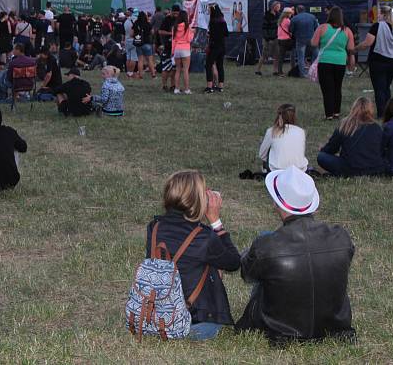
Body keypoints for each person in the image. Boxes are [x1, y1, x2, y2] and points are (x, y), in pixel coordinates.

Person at [236, 166, 355, 344]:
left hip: (280, 330)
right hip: (334, 327)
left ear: (276, 203)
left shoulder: (267, 245)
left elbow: (247, 275)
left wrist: (251, 252)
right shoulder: (341, 237)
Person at [145, 170, 241, 341]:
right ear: (196, 201)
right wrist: (216, 222)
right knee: (215, 262)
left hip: (158, 316)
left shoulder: (154, 227)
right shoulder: (203, 237)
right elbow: (234, 262)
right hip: (196, 323)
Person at [356, 6, 393, 116]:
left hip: (378, 61)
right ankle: (389, 111)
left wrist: (355, 49)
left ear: (383, 15)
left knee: (379, 88)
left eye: (379, 14)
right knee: (386, 87)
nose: (377, 16)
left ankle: (381, 113)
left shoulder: (377, 26)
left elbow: (367, 43)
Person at [317, 97, 386, 177]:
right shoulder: (377, 127)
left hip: (351, 169)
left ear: (353, 108)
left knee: (321, 156)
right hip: (375, 169)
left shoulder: (345, 125)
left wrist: (322, 149)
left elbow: (331, 149)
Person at [310, 7, 356, 120]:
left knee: (327, 89)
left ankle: (328, 114)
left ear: (329, 16)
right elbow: (351, 48)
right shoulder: (347, 30)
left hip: (325, 61)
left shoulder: (322, 27)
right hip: (340, 62)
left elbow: (313, 43)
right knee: (337, 88)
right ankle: (336, 113)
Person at [258, 104, 308, 172]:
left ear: (279, 116)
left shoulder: (272, 131)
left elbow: (262, 155)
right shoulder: (301, 131)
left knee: (267, 146)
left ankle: (265, 169)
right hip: (299, 170)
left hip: (276, 170)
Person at [204, 3, 229, 94]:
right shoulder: (222, 21)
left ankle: (209, 86)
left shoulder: (213, 21)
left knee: (208, 65)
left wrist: (209, 34)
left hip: (214, 46)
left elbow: (213, 36)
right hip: (222, 46)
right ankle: (220, 86)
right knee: (220, 66)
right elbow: (226, 33)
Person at [289, 5, 319, 78]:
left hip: (300, 40)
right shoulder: (312, 17)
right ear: (304, 9)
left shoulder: (294, 19)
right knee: (315, 55)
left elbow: (291, 30)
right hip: (312, 39)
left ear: (297, 10)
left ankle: (303, 74)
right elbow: (316, 28)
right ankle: (314, 72)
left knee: (301, 57)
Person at [172, 10, 194, 95]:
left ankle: (176, 89)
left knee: (177, 70)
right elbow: (189, 39)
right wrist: (192, 33)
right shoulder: (187, 27)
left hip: (177, 49)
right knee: (185, 70)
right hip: (185, 49)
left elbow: (173, 40)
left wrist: (173, 52)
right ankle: (187, 90)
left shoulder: (175, 27)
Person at [256, 1, 281, 76]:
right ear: (274, 7)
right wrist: (268, 38)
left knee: (276, 55)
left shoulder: (278, 15)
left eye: (279, 6)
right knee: (264, 55)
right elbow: (264, 28)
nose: (279, 8)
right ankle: (258, 70)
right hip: (267, 38)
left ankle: (275, 71)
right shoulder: (267, 15)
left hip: (276, 37)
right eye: (278, 6)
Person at [134, 11, 155, 77]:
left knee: (140, 60)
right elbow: (152, 32)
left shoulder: (136, 23)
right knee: (150, 60)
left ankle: (141, 75)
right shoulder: (147, 23)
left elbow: (131, 34)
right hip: (147, 43)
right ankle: (153, 74)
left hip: (139, 43)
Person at [275, 8, 294, 76]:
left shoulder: (280, 20)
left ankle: (280, 71)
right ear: (287, 13)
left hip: (280, 40)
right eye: (290, 13)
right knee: (293, 53)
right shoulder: (287, 20)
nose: (291, 14)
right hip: (286, 40)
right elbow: (291, 29)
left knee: (281, 57)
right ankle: (293, 69)